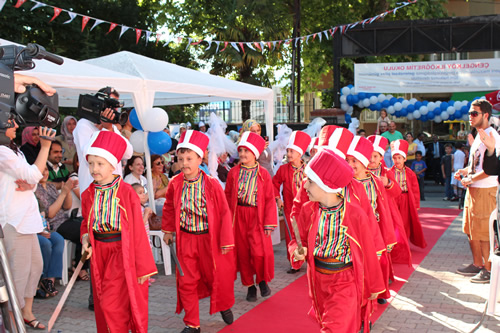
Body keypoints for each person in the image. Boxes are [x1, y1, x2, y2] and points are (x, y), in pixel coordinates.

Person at [288, 149, 385, 333]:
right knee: (328, 322)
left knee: (335, 328)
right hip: (317, 280)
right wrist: (297, 251)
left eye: (310, 182)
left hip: (345, 281)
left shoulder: (355, 214)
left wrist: (375, 284)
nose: (305, 187)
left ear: (326, 185)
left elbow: (368, 252)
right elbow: (297, 240)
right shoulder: (308, 210)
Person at [80, 130, 157, 332]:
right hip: (99, 254)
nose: (94, 168)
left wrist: (143, 267)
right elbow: (86, 222)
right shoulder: (88, 193)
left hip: (120, 254)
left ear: (113, 164)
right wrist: (85, 238)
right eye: (91, 163)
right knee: (104, 304)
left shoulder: (126, 193)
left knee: (111, 305)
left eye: (100, 163)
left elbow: (138, 232)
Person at [162, 130, 235, 333]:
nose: (184, 163)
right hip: (186, 239)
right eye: (181, 158)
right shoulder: (174, 184)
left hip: (209, 241)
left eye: (189, 158)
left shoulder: (211, 184)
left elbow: (224, 213)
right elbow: (168, 207)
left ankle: (223, 305)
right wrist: (167, 230)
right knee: (186, 281)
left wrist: (226, 241)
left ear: (200, 157)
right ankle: (192, 323)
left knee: (215, 278)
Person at [0, 123, 56, 330]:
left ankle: (26, 313)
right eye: (11, 122)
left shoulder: (13, 149)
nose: (15, 125)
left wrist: (31, 182)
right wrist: (45, 147)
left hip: (27, 221)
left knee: (35, 268)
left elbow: (34, 178)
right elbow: (33, 175)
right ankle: (12, 322)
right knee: (18, 274)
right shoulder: (2, 151)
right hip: (13, 222)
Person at [225, 131, 277, 302]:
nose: (242, 154)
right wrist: (225, 221)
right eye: (240, 151)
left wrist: (269, 222)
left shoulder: (263, 174)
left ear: (254, 153)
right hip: (238, 216)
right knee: (243, 253)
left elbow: (269, 199)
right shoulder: (233, 173)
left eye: (246, 151)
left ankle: (262, 280)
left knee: (259, 253)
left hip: (257, 216)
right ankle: (250, 286)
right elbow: (227, 196)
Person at [346, 136, 397, 305]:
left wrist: (386, 233)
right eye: (349, 160)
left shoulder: (375, 181)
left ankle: (380, 291)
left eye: (355, 161)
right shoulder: (345, 182)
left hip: (373, 228)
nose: (352, 164)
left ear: (364, 162)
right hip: (353, 231)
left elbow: (383, 208)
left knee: (377, 262)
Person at [454, 99, 500, 283]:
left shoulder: (493, 136)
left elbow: (491, 168)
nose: (470, 117)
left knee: (483, 232)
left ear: (485, 115)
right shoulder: (478, 135)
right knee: (470, 229)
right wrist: (464, 171)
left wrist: (470, 178)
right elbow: (476, 164)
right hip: (472, 189)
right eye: (470, 113)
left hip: (486, 190)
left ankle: (488, 270)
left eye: (474, 113)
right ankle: (477, 264)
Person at [73, 87, 133, 194]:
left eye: (115, 107)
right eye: (110, 105)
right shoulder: (84, 124)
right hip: (93, 191)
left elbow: (128, 153)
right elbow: (89, 155)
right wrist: (105, 130)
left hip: (115, 190)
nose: (113, 111)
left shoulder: (112, 127)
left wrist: (109, 129)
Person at [367, 135, 412, 266]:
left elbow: (397, 192)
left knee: (383, 239)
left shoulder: (386, 172)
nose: (371, 159)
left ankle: (385, 270)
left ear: (381, 157)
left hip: (383, 212)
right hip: (367, 211)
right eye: (370, 156)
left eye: (375, 156)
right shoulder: (362, 171)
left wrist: (388, 183)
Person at [272, 131, 311, 273]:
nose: (288, 154)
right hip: (290, 208)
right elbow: (274, 183)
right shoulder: (283, 169)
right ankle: (295, 262)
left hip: (307, 209)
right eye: (288, 151)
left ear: (299, 154)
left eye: (292, 151)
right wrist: (278, 198)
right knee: (292, 235)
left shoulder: (308, 170)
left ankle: (308, 259)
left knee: (307, 234)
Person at [35, 166, 73, 296]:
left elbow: (67, 206)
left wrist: (66, 191)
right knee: (46, 243)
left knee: (58, 239)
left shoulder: (51, 187)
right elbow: (48, 213)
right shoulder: (35, 189)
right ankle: (43, 277)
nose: (44, 173)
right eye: (41, 171)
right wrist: (63, 193)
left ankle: (50, 280)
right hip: (40, 226)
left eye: (46, 170)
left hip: (48, 225)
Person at [390, 140, 427, 249]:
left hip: (406, 198)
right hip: (393, 199)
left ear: (405, 159)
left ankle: (404, 242)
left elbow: (415, 189)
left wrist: (416, 204)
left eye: (399, 158)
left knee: (405, 222)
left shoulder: (410, 173)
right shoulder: (388, 172)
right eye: (395, 158)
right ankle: (394, 242)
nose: (397, 161)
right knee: (394, 221)